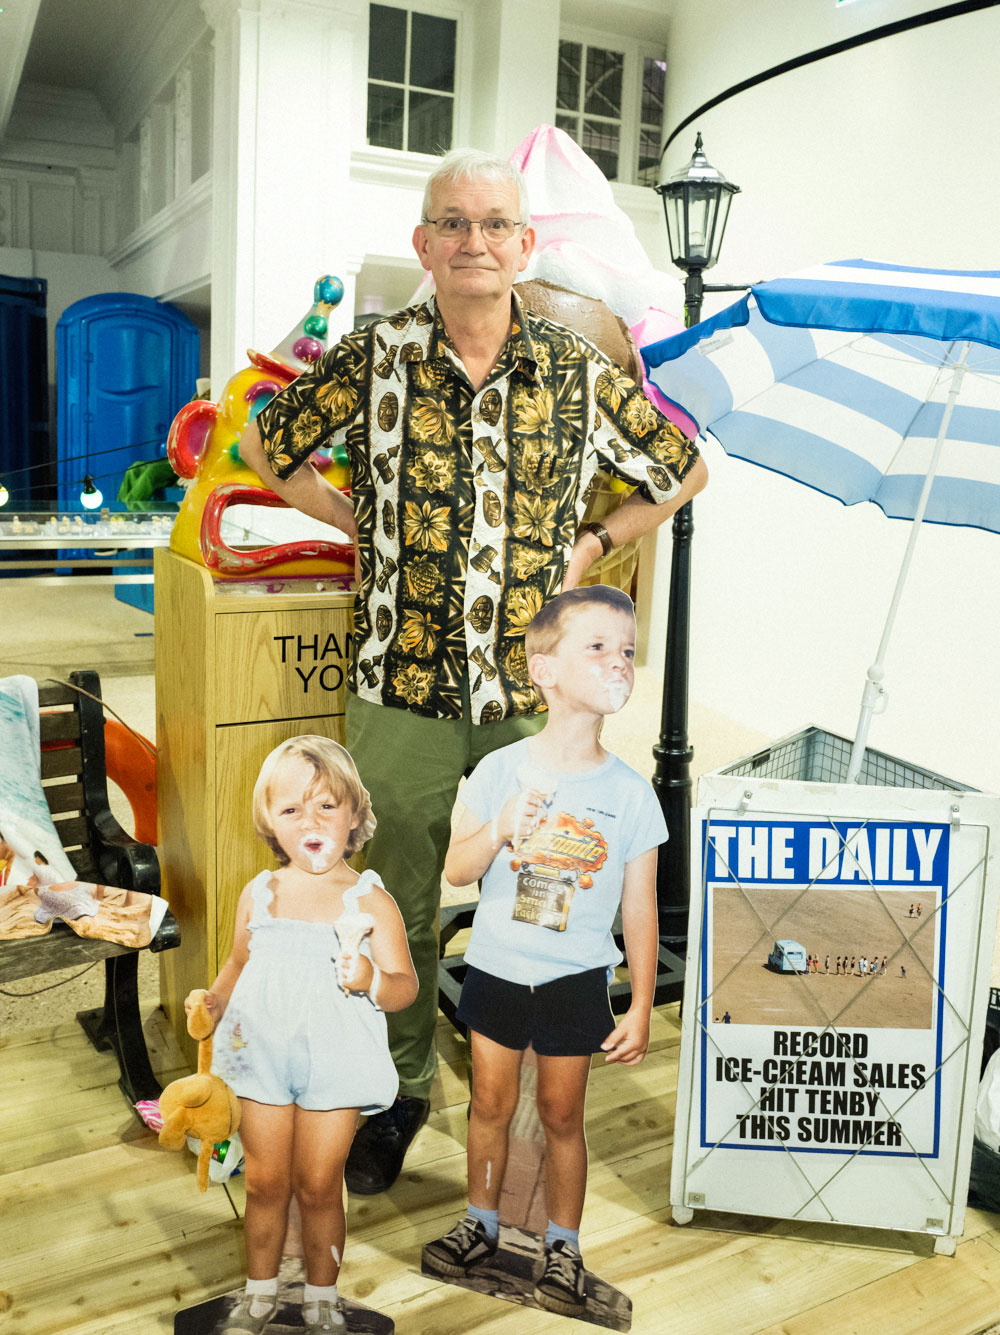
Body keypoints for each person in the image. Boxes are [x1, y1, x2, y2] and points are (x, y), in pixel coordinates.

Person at [240, 147, 707, 1193]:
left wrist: (592, 548)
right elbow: (267, 443)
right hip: (395, 685)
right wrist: (344, 514)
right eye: (452, 223)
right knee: (385, 894)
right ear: (423, 244)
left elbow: (682, 469)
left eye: (495, 224)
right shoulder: (374, 356)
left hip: (523, 696)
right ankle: (397, 1089)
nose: (473, 241)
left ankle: (524, 1083)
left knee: (541, 886)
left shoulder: (578, 372)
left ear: (525, 246)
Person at [422, 586, 664, 1315]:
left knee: (563, 1115)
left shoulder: (630, 794)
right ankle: (481, 1222)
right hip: (496, 968)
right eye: (597, 646)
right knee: (488, 1104)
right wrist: (497, 826)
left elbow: (639, 904)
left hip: (575, 979)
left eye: (626, 649)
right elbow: (457, 870)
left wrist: (644, 1001)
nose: (617, 660)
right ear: (546, 670)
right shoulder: (501, 769)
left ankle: (563, 1243)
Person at [189, 737, 418, 1335]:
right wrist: (214, 1001)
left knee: (319, 1186)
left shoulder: (370, 901)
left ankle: (321, 1297)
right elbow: (239, 963)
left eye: (326, 806)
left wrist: (370, 978)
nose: (310, 822)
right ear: (270, 822)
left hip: (334, 1062)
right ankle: (259, 1294)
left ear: (353, 815)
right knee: (265, 1181)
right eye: (291, 810)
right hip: (261, 1057)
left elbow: (405, 988)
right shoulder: (259, 894)